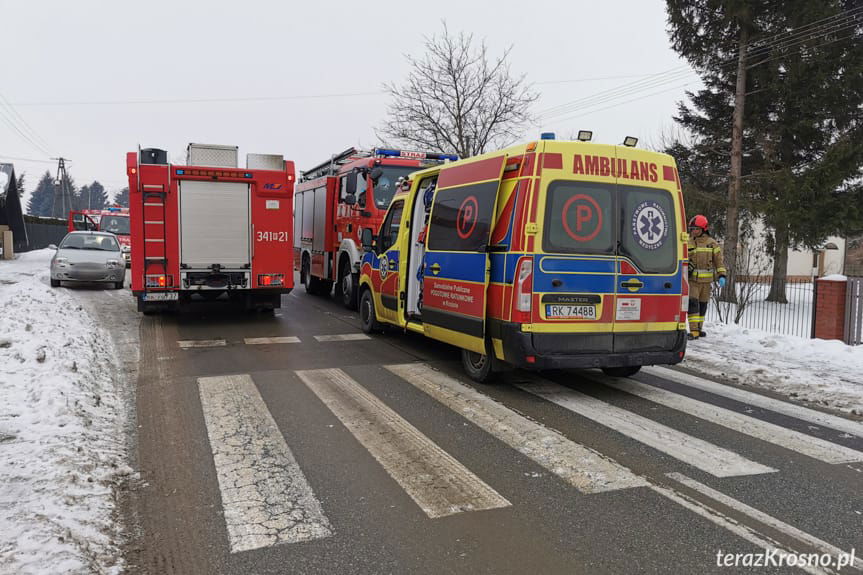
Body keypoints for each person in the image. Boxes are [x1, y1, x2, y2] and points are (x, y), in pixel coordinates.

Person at [687, 215, 726, 340]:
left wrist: (722, 275)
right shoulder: (688, 242)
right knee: (693, 304)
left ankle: (699, 328)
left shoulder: (712, 244)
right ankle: (693, 330)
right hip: (692, 280)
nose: (693, 231)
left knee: (703, 305)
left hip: (706, 282)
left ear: (704, 228)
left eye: (696, 228)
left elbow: (719, 261)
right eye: (692, 228)